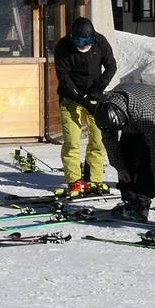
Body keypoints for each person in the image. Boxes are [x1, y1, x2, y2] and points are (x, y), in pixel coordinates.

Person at [93, 83, 155, 221]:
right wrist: (120, 168)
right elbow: (110, 143)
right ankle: (129, 199)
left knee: (146, 153)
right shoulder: (103, 112)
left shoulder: (144, 115)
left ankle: (141, 205)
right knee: (126, 150)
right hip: (129, 109)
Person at [54, 17, 117, 196]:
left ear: (93, 37)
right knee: (72, 141)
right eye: (79, 42)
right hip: (70, 98)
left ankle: (93, 180)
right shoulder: (63, 47)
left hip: (95, 96)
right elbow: (64, 77)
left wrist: (97, 90)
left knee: (98, 140)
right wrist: (81, 98)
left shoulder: (100, 42)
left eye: (87, 41)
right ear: (72, 38)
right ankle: (74, 181)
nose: (83, 45)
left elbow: (111, 67)